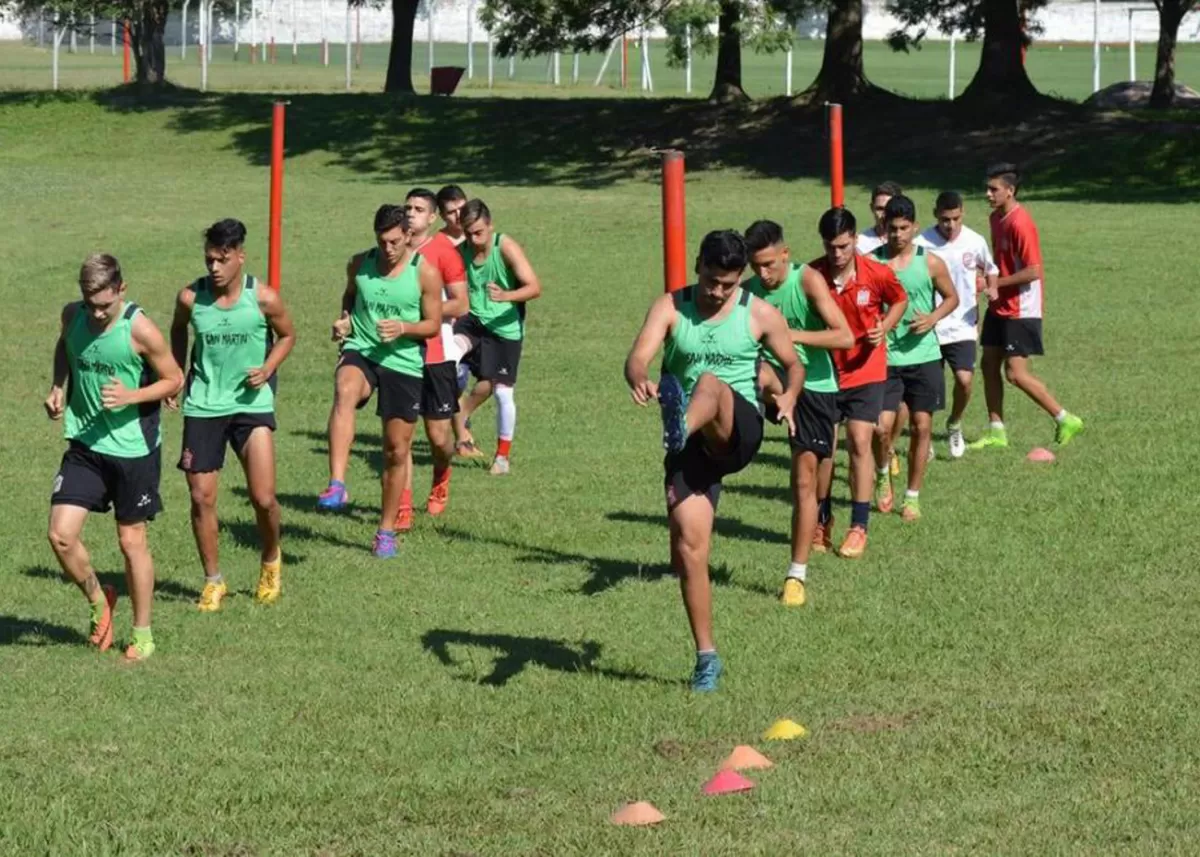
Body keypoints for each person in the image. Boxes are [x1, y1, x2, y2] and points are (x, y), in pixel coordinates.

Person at [624, 230, 803, 692]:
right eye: (709, 279)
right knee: (689, 547)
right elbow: (637, 358)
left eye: (726, 283)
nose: (716, 291)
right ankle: (706, 657)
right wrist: (640, 378)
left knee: (709, 382)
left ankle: (680, 420)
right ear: (697, 264)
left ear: (740, 277)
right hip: (691, 448)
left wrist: (788, 396)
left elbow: (794, 363)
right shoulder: (670, 306)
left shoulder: (759, 313)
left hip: (738, 429)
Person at [45, 253, 183, 661]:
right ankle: (98, 600)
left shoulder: (139, 329)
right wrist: (57, 386)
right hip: (86, 444)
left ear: (121, 289)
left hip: (132, 450)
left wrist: (130, 397)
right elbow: (65, 346)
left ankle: (142, 634)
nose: (99, 313)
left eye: (106, 304)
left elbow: (173, 378)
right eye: (91, 305)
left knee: (130, 541)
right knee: (60, 535)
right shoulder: (74, 316)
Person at [170, 219, 297, 612]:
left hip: (250, 405)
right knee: (201, 497)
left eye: (222, 260)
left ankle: (271, 559)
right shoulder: (191, 298)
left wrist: (269, 366)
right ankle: (213, 581)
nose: (214, 268)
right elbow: (177, 331)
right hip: (205, 404)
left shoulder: (263, 298)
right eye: (209, 259)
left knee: (263, 498)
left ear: (240, 256)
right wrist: (176, 374)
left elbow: (288, 335)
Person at [743, 220, 853, 608]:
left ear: (785, 254)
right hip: (770, 383)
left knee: (809, 483)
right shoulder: (746, 292)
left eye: (769, 264)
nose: (763, 274)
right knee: (753, 372)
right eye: (755, 266)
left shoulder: (807, 281)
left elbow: (844, 336)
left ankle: (797, 571)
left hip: (815, 390)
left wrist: (789, 335)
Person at [326, 204, 444, 556]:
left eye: (394, 242)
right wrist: (344, 320)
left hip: (403, 359)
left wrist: (404, 328)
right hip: (363, 349)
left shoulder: (425, 274)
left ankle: (386, 530)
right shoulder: (359, 264)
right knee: (345, 389)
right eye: (382, 242)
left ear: (408, 235)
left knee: (396, 451)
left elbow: (434, 325)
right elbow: (350, 296)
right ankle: (337, 484)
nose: (388, 249)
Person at [811, 208, 908, 558]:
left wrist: (886, 325)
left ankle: (859, 525)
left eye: (842, 245)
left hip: (866, 370)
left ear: (854, 238)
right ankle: (822, 521)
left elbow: (899, 300)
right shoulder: (813, 275)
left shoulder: (875, 273)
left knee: (859, 440)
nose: (836, 254)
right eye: (830, 246)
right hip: (826, 373)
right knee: (823, 450)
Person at [971, 163, 1084, 449]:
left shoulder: (1022, 223)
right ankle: (997, 431)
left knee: (1015, 374)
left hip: (1021, 308)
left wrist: (996, 284)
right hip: (1000, 304)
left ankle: (1064, 417)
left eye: (993, 189)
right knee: (988, 363)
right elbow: (1000, 260)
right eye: (987, 188)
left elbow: (1033, 270)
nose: (988, 194)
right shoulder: (996, 218)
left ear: (1010, 191)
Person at [870, 196, 959, 522]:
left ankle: (912, 497)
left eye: (904, 228)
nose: (897, 235)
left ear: (915, 228)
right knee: (881, 428)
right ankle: (882, 471)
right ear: (884, 228)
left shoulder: (931, 262)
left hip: (924, 356)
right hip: (885, 358)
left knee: (922, 427)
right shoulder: (872, 263)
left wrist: (933, 318)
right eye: (892, 228)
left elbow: (952, 298)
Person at [393, 187, 469, 527]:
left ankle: (441, 475)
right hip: (399, 355)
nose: (411, 213)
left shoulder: (444, 252)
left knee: (438, 439)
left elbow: (462, 303)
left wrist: (425, 312)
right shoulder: (392, 250)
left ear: (432, 216)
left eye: (419, 208)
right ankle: (403, 506)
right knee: (400, 439)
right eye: (407, 207)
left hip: (437, 355)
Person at [451, 200, 542, 476]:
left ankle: (502, 458)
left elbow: (534, 287)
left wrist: (506, 296)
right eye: (468, 233)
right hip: (473, 322)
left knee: (501, 391)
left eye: (479, 232)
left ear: (491, 226)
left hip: (505, 329)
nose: (473, 239)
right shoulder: (459, 252)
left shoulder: (505, 247)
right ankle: (455, 421)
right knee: (448, 361)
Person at [915, 190, 998, 458]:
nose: (950, 225)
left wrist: (991, 288)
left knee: (964, 381)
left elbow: (991, 269)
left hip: (962, 324)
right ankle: (923, 438)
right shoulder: (921, 242)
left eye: (955, 219)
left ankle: (954, 423)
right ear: (935, 215)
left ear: (962, 213)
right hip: (930, 325)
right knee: (927, 390)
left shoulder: (974, 241)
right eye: (944, 219)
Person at [855, 181, 903, 256]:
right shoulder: (860, 245)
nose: (884, 214)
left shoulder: (908, 243)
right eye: (880, 209)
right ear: (872, 208)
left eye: (889, 208)